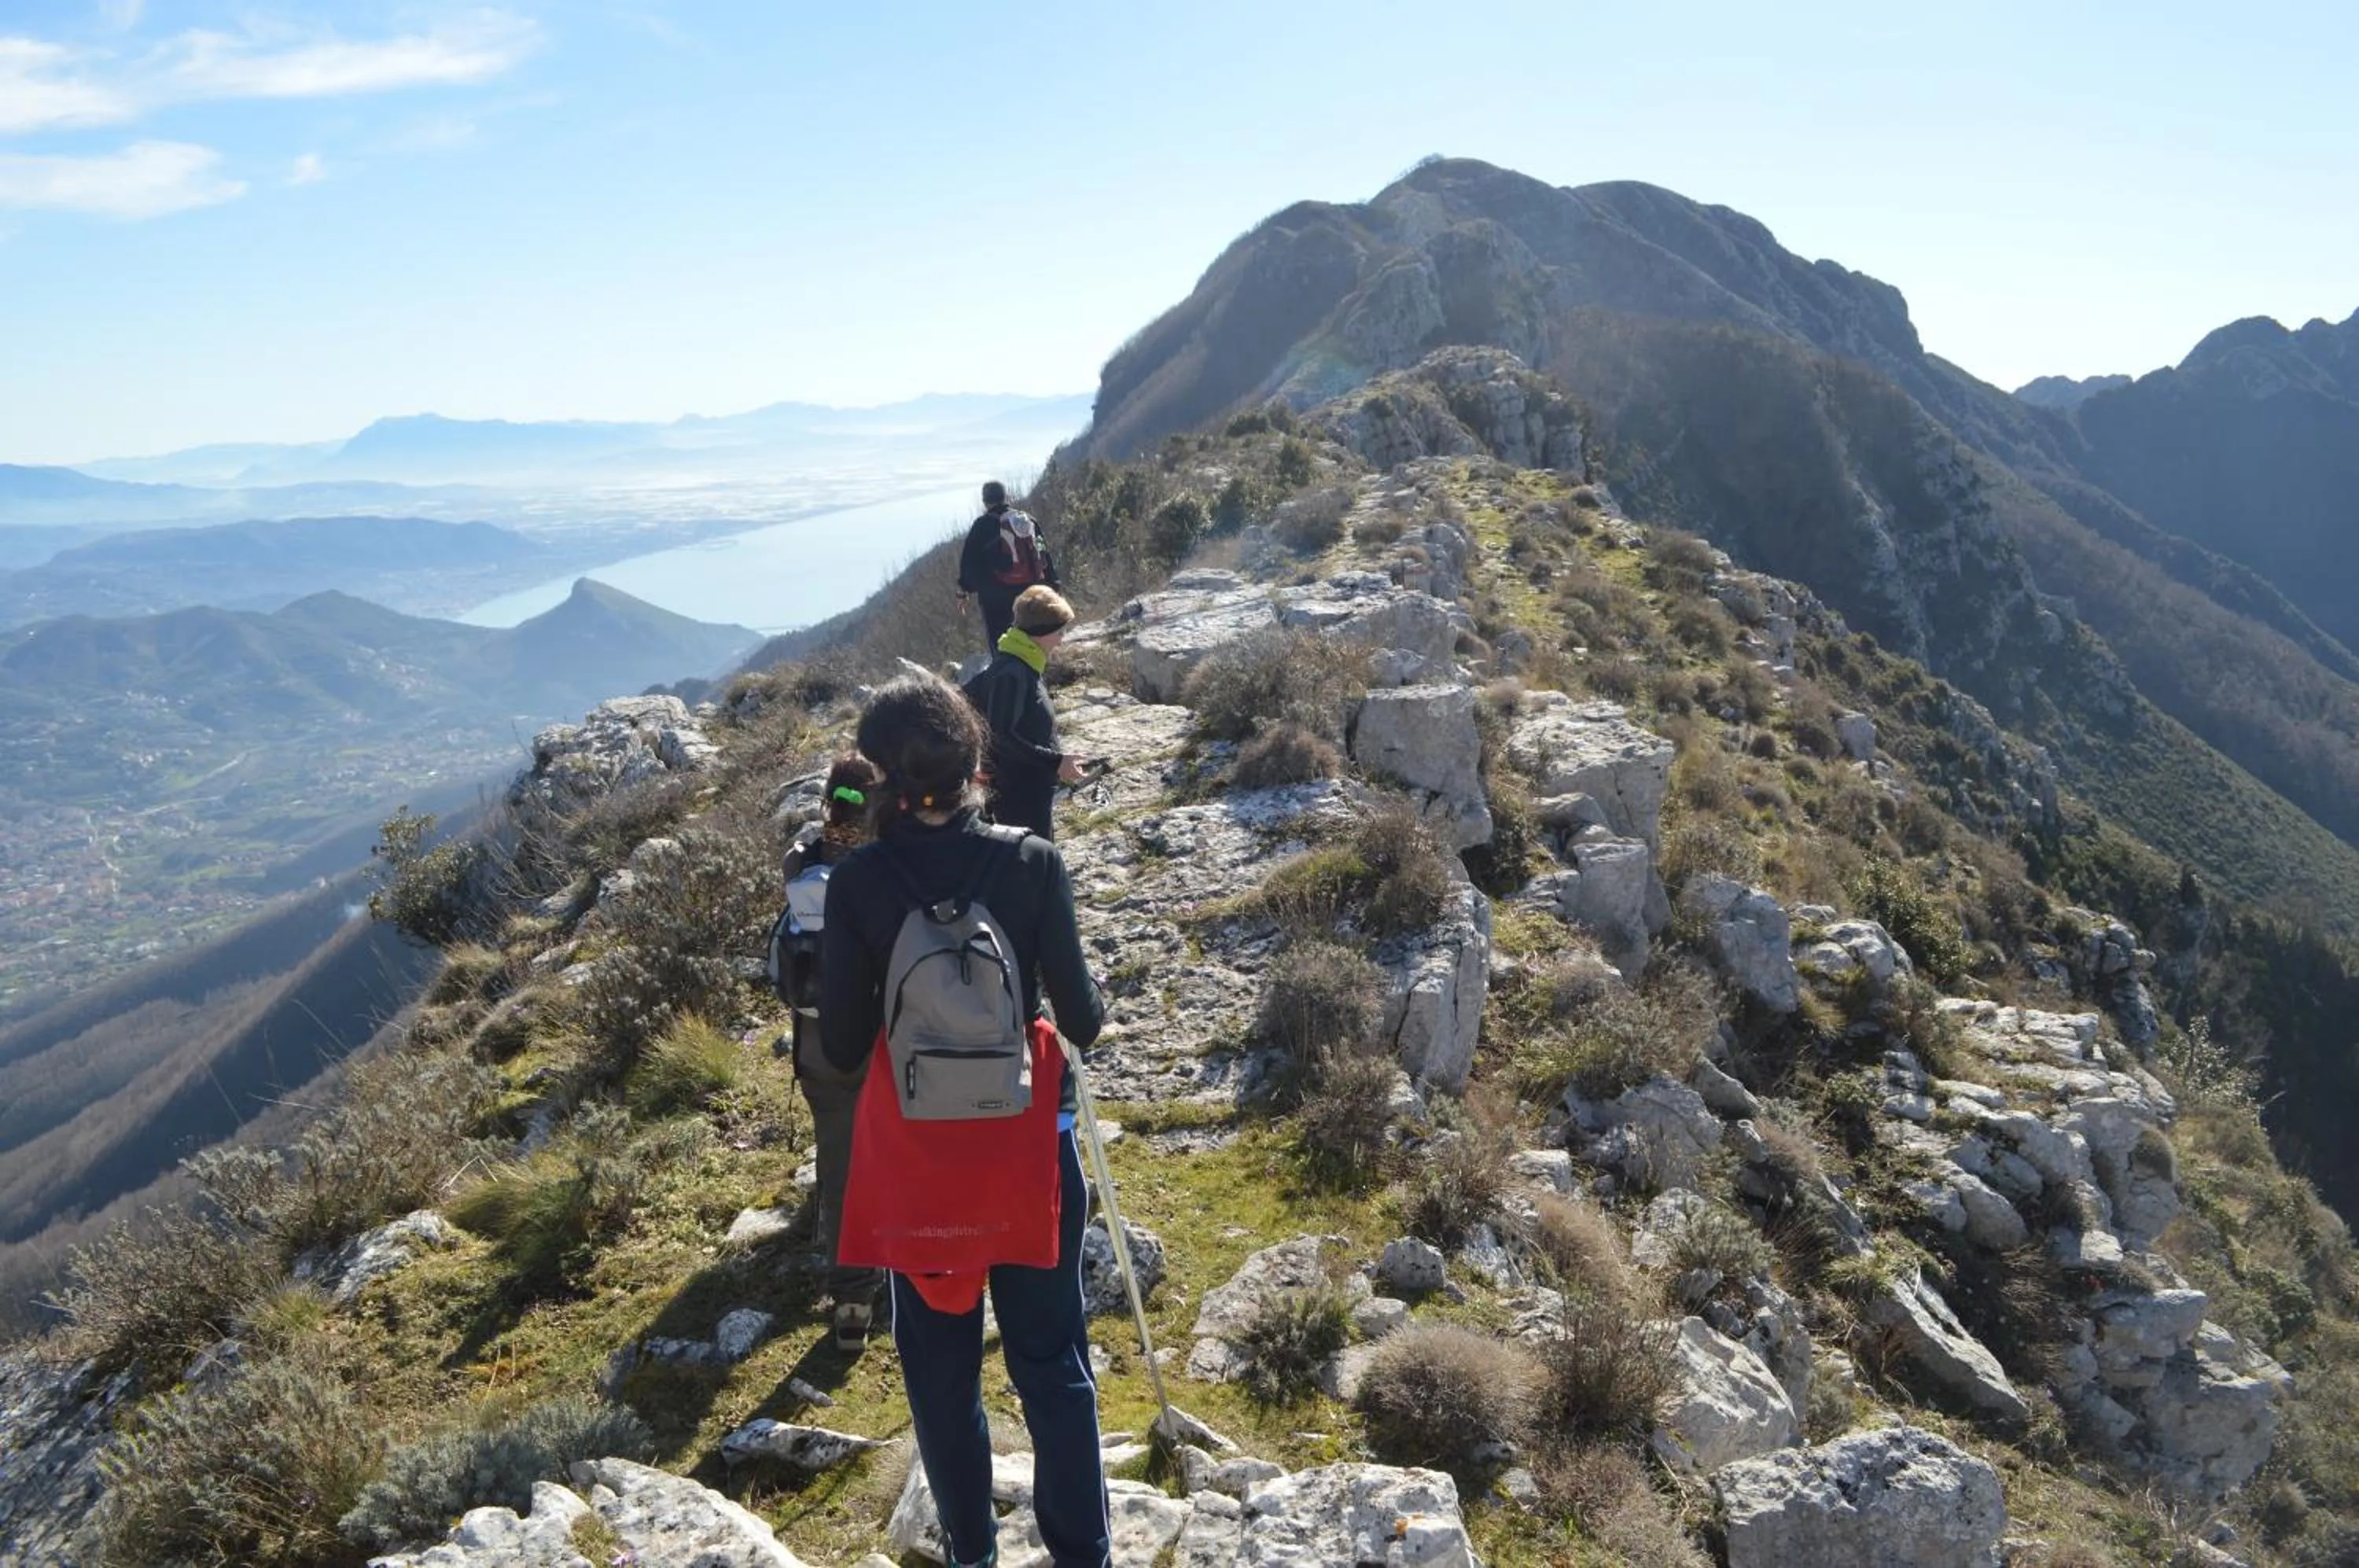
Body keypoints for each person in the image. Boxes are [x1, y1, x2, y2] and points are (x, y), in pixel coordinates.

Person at [820, 673, 1110, 1568]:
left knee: (941, 1374)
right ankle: (1082, 1553)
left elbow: (840, 1044)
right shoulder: (1031, 863)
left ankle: (973, 1554)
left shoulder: (859, 880)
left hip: (920, 1166)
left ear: (880, 779)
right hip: (1025, 1150)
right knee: (1051, 1359)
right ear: (976, 764)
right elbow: (1086, 1022)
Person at [778, 753, 889, 1353]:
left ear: (829, 802)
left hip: (820, 1039)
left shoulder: (802, 859)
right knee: (903, 1146)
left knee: (840, 1159)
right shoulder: (890, 861)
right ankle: (918, 1267)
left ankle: (851, 1300)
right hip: (886, 1034)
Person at [962, 585, 1088, 843]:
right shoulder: (1012, 673)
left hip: (1029, 787)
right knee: (1032, 858)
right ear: (1041, 633)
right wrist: (1055, 762)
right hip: (1018, 793)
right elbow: (1001, 737)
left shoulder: (1023, 663)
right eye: (1059, 631)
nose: (1062, 638)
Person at [956, 480, 1060, 656]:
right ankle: (1034, 678)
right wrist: (1053, 583)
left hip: (995, 598)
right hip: (1030, 592)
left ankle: (1007, 678)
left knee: (1001, 645)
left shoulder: (982, 526)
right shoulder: (1028, 522)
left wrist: (964, 590)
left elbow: (969, 563)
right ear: (1005, 497)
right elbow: (1043, 551)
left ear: (985, 501)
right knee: (1029, 640)